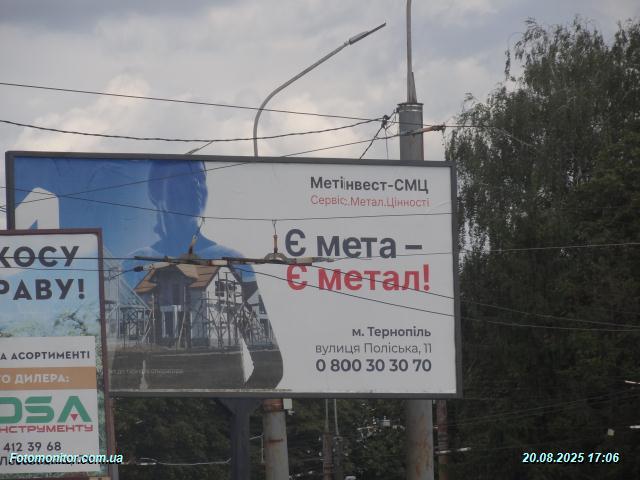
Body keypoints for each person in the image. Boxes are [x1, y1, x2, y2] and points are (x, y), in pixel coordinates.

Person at [121, 159, 283, 389]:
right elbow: (123, 371)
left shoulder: (231, 261)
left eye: (200, 179)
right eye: (183, 179)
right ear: (154, 191)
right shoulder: (136, 264)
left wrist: (234, 404)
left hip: (220, 404)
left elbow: (270, 366)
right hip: (158, 406)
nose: (195, 186)